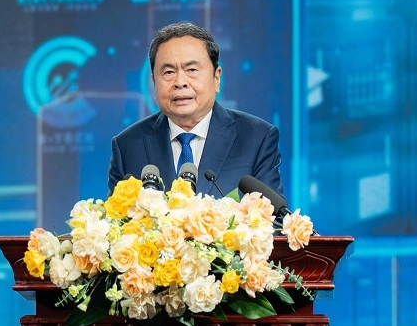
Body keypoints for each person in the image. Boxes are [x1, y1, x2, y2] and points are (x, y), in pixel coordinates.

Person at [107, 22, 285, 197]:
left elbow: (272, 214)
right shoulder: (127, 146)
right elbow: (115, 214)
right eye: (168, 72)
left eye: (191, 70)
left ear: (216, 78)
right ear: (154, 82)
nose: (180, 82)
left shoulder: (256, 138)